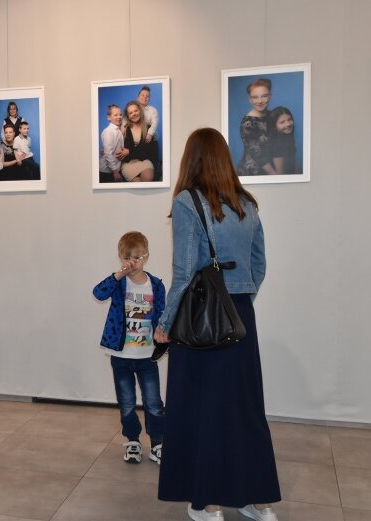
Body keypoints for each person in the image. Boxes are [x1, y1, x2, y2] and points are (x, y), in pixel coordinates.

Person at [155, 128, 280, 521]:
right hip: (241, 316)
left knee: (201, 409)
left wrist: (165, 321)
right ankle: (255, 500)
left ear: (191, 160)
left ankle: (207, 503)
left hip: (200, 319)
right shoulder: (247, 203)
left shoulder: (188, 202)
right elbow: (259, 265)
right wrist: (241, 297)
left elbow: (183, 271)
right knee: (244, 409)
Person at [93, 231, 166, 466]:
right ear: (119, 257)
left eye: (137, 257)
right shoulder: (118, 283)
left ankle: (157, 443)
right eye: (126, 257)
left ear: (146, 256)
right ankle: (133, 442)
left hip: (147, 356)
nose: (132, 263)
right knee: (126, 402)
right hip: (121, 356)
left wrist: (164, 336)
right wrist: (117, 275)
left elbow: (163, 314)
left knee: (153, 402)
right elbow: (98, 293)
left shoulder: (155, 285)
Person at [237, 79, 277, 176]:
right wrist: (276, 175)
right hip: (252, 172)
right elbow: (257, 153)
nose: (259, 101)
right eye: (255, 97)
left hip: (272, 169)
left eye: (264, 96)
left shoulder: (274, 115)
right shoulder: (247, 122)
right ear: (249, 99)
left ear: (270, 96)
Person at [118, 100, 158, 182]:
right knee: (137, 183)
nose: (134, 114)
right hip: (128, 164)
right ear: (128, 116)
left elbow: (149, 151)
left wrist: (129, 152)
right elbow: (115, 143)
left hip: (144, 161)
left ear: (140, 111)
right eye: (130, 113)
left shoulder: (149, 129)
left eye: (135, 110)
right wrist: (107, 149)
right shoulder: (125, 128)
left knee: (147, 178)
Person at [267, 106, 297, 175]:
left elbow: (294, 169)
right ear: (274, 126)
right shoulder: (277, 145)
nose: (288, 124)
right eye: (282, 122)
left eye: (289, 119)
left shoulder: (288, 139)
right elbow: (280, 175)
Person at [99, 104, 124, 183]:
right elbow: (108, 154)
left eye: (120, 114)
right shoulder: (108, 132)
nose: (119, 117)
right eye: (115, 115)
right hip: (108, 172)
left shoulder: (118, 130)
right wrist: (115, 172)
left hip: (115, 169)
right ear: (109, 117)